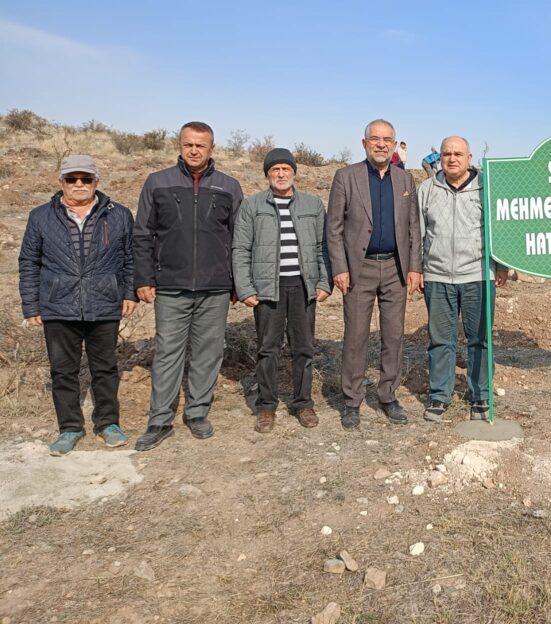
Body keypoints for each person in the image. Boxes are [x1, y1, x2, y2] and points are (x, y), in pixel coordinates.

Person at [133, 122, 243, 451]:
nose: (194, 150)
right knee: (168, 352)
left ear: (212, 149)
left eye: (201, 145)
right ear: (179, 146)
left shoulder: (229, 186)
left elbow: (239, 238)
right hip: (170, 284)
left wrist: (238, 282)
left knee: (209, 352)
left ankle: (197, 413)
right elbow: (142, 234)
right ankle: (159, 420)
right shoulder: (157, 182)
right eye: (188, 144)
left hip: (215, 286)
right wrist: (143, 278)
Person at [18, 155, 137, 455]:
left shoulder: (119, 214)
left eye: (86, 179)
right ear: (61, 183)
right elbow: (29, 262)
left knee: (106, 368)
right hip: (58, 304)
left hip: (105, 302)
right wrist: (31, 305)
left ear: (97, 181)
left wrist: (129, 293)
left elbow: (131, 258)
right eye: (72, 179)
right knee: (63, 370)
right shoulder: (40, 216)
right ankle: (69, 428)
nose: (79, 185)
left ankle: (107, 423)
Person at [327, 119, 422, 429]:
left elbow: (413, 229)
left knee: (393, 336)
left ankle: (387, 395)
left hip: (395, 268)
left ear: (394, 145)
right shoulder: (345, 177)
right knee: (355, 337)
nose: (381, 144)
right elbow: (334, 228)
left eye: (387, 140)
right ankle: (352, 400)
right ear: (364, 142)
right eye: (375, 139)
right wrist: (339, 267)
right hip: (359, 269)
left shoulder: (405, 180)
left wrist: (414, 267)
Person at [233, 148, 332, 433]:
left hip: (302, 287)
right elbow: (240, 248)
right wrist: (245, 288)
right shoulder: (252, 206)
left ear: (293, 172)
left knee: (304, 348)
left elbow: (322, 247)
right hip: (267, 289)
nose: (280, 174)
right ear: (267, 174)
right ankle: (266, 406)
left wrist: (324, 282)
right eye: (274, 169)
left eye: (285, 169)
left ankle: (303, 403)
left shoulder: (312, 204)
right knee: (268, 349)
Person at [416, 136, 508, 422]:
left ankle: (480, 395)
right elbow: (417, 232)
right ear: (439, 158)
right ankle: (439, 395)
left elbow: (500, 228)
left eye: (458, 154)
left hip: (478, 275)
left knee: (480, 339)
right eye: (446, 154)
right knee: (440, 340)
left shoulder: (487, 188)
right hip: (437, 276)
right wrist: (417, 268)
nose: (452, 158)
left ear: (469, 158)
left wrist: (502, 265)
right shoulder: (427, 189)